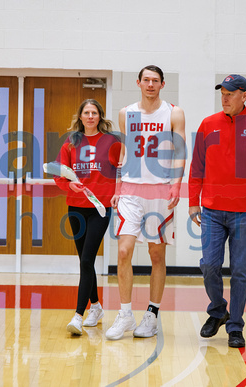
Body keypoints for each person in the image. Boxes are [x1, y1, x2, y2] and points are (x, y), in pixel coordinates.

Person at [188, 74, 246, 348]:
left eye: (230, 93)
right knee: (210, 266)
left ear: (244, 95)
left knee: (239, 271)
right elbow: (196, 167)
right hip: (211, 210)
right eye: (222, 93)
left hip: (245, 214)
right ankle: (218, 310)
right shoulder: (208, 125)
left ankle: (235, 325)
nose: (224, 98)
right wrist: (193, 201)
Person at [106, 65, 186, 340]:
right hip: (130, 191)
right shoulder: (126, 114)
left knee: (156, 255)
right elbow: (125, 152)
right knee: (124, 252)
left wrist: (176, 184)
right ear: (138, 82)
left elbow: (180, 151)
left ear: (162, 84)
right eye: (146, 80)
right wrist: (118, 186)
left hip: (160, 192)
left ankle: (151, 314)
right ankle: (125, 314)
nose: (150, 84)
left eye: (155, 81)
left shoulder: (174, 112)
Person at [56, 99, 121, 335]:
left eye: (95, 112)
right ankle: (96, 306)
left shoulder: (111, 142)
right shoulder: (71, 142)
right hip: (75, 207)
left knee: (86, 260)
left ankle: (77, 316)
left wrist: (119, 193)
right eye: (87, 112)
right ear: (81, 117)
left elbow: (122, 169)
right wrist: (68, 185)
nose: (91, 116)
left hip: (100, 208)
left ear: (100, 116)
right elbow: (58, 169)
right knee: (85, 260)